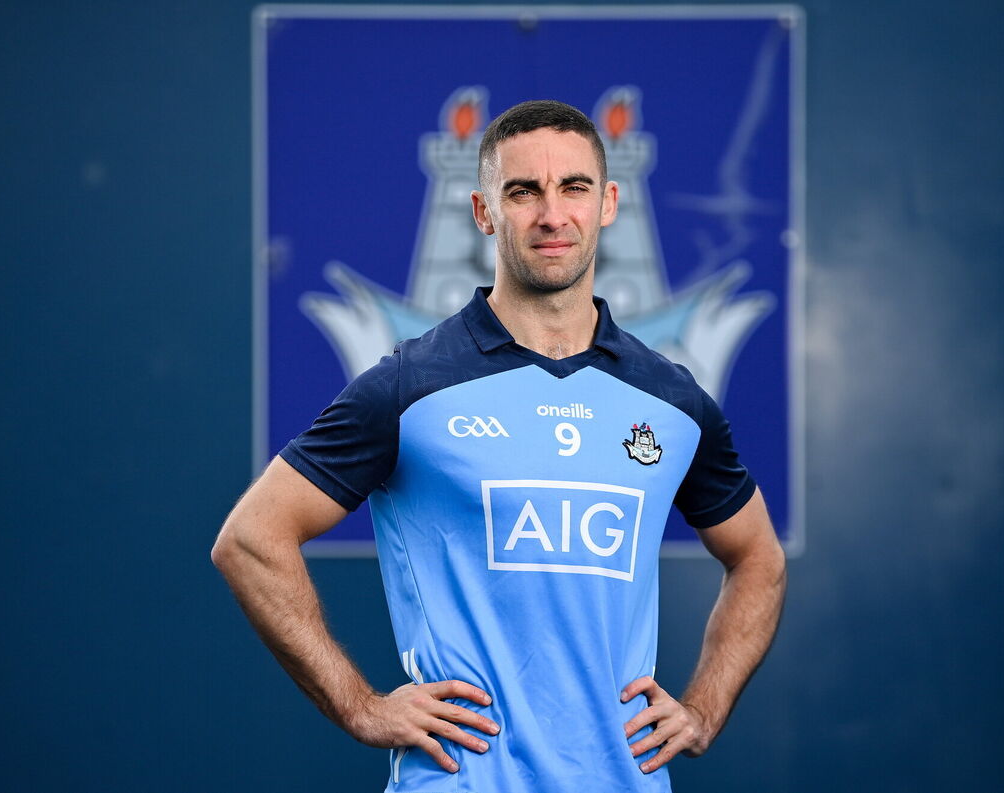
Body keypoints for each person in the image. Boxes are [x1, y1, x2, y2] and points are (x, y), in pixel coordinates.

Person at [212, 99, 786, 792]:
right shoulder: (410, 385)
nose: (552, 214)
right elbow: (251, 538)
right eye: (523, 192)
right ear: (484, 211)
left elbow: (759, 558)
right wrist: (360, 706)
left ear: (608, 203)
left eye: (573, 187)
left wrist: (703, 709)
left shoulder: (671, 400)